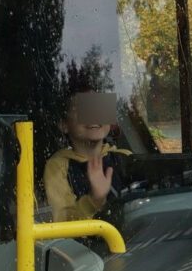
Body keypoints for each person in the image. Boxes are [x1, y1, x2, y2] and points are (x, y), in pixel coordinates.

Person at [44, 89, 129, 223]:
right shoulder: (58, 167)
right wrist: (93, 201)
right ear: (64, 125)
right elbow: (61, 223)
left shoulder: (124, 157)